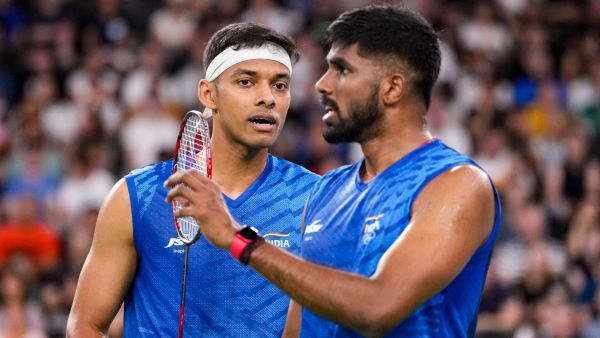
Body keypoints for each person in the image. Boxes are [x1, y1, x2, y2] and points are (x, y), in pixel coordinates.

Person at [164, 5, 501, 337]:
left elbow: (378, 308)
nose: (321, 85)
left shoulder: (456, 185)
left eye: (341, 70)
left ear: (392, 88)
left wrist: (239, 239)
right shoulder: (326, 191)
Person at [66, 22, 319, 337]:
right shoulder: (136, 197)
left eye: (280, 85)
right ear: (208, 94)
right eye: (246, 82)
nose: (267, 97)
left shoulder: (315, 198)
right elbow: (86, 325)